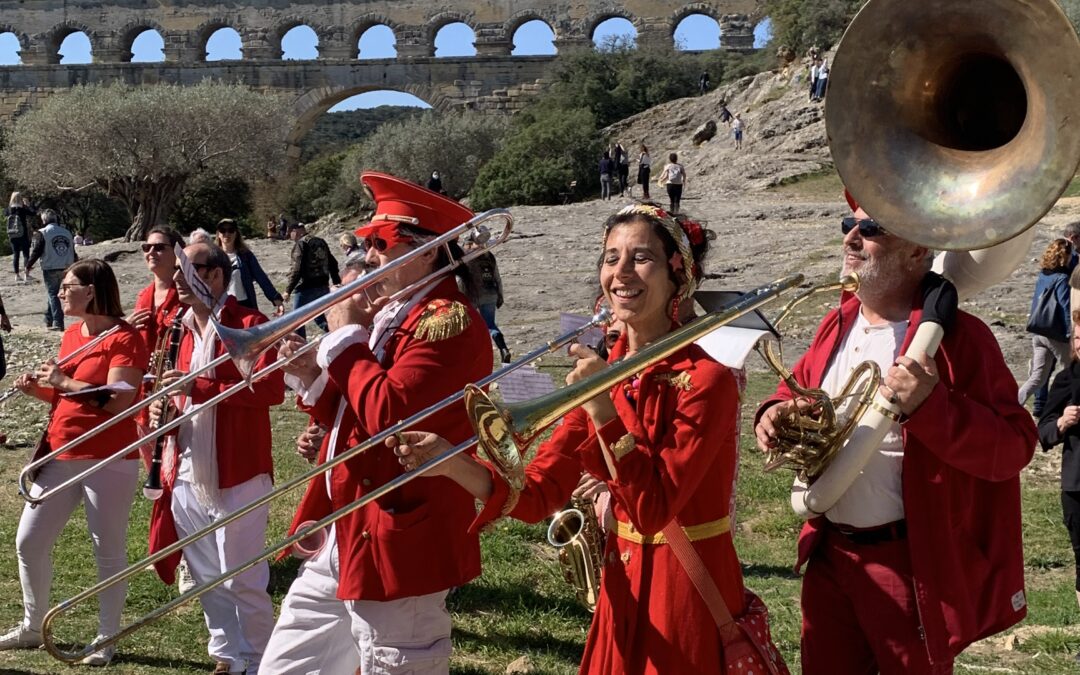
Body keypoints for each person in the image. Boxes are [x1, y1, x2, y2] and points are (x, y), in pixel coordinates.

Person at [390, 203, 763, 674]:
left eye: (640, 257)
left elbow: (652, 510)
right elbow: (536, 496)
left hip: (686, 592)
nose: (621, 272)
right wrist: (451, 464)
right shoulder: (603, 375)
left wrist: (602, 405)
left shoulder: (707, 379)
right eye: (610, 258)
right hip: (621, 588)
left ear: (677, 273)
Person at [754, 192, 1036, 673]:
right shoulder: (836, 322)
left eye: (872, 229)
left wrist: (933, 405)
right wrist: (774, 412)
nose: (852, 237)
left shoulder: (962, 339)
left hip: (909, 566)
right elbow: (793, 390)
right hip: (831, 558)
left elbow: (1013, 448)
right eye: (850, 223)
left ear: (917, 250)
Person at [258, 171, 492, 675]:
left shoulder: (444, 319)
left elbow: (393, 416)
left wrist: (343, 341)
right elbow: (357, 414)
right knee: (284, 666)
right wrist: (312, 380)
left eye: (382, 245)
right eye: (369, 244)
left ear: (426, 252)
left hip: (399, 534)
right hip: (347, 528)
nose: (371, 259)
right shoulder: (398, 313)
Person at [146, 242, 285, 675]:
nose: (179, 281)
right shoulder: (178, 329)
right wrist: (161, 410)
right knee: (206, 575)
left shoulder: (250, 323)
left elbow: (271, 390)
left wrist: (198, 389)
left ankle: (261, 658)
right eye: (179, 271)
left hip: (238, 470)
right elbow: (176, 394)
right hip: (187, 465)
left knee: (242, 576)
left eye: (192, 269)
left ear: (217, 276)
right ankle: (227, 654)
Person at [0, 259, 146, 667]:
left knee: (109, 549)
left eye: (68, 286)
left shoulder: (125, 338)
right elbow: (72, 399)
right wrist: (41, 392)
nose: (62, 293)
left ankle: (107, 636)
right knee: (29, 542)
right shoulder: (70, 335)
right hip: (61, 452)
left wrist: (62, 382)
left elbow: (118, 401)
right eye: (62, 287)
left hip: (109, 455)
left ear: (93, 291)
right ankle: (33, 626)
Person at [1037, 311, 1080, 664]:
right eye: (1076, 338)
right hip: (1077, 485)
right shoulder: (1066, 381)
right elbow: (1043, 431)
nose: (1079, 344)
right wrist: (1062, 423)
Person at [1019, 239, 1074, 411]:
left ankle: (1012, 405)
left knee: (1037, 378)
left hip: (1039, 332)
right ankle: (1064, 409)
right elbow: (1066, 307)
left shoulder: (1044, 274)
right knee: (1070, 373)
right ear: (1066, 256)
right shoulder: (1063, 278)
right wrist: (1071, 333)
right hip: (1056, 334)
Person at [129, 226, 185, 361]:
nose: (151, 252)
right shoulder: (143, 295)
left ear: (178, 252)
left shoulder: (188, 294)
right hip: (143, 373)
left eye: (159, 247)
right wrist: (128, 327)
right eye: (147, 248)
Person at [215, 219, 285, 316]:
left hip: (244, 304)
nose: (227, 233)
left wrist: (276, 300)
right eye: (223, 230)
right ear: (218, 234)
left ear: (236, 234)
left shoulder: (246, 256)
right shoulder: (213, 257)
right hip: (222, 305)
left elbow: (261, 277)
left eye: (231, 230)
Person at [284, 222, 341, 339]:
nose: (290, 237)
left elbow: (297, 269)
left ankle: (300, 347)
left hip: (305, 288)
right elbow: (332, 262)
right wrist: (336, 282)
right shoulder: (320, 241)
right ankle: (338, 334)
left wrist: (288, 290)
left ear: (296, 231)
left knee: (297, 320)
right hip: (322, 285)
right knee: (321, 316)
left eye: (290, 233)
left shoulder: (301, 244)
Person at [462, 237, 511, 363]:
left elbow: (460, 280)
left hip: (472, 295)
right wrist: (500, 295)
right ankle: (503, 348)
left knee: (470, 326)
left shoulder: (465, 258)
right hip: (490, 293)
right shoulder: (489, 256)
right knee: (490, 324)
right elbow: (497, 277)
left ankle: (474, 355)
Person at [26, 208, 76, 331]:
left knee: (52, 294)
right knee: (52, 293)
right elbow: (72, 250)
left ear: (44, 220)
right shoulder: (67, 232)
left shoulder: (42, 233)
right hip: (66, 266)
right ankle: (48, 318)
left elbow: (37, 250)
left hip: (50, 266)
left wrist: (28, 265)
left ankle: (57, 322)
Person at [6, 192, 34, 283]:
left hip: (12, 234)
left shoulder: (9, 209)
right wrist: (27, 205)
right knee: (26, 254)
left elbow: (5, 214)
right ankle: (26, 274)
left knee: (16, 255)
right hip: (23, 234)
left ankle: (17, 275)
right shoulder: (22, 209)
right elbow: (33, 213)